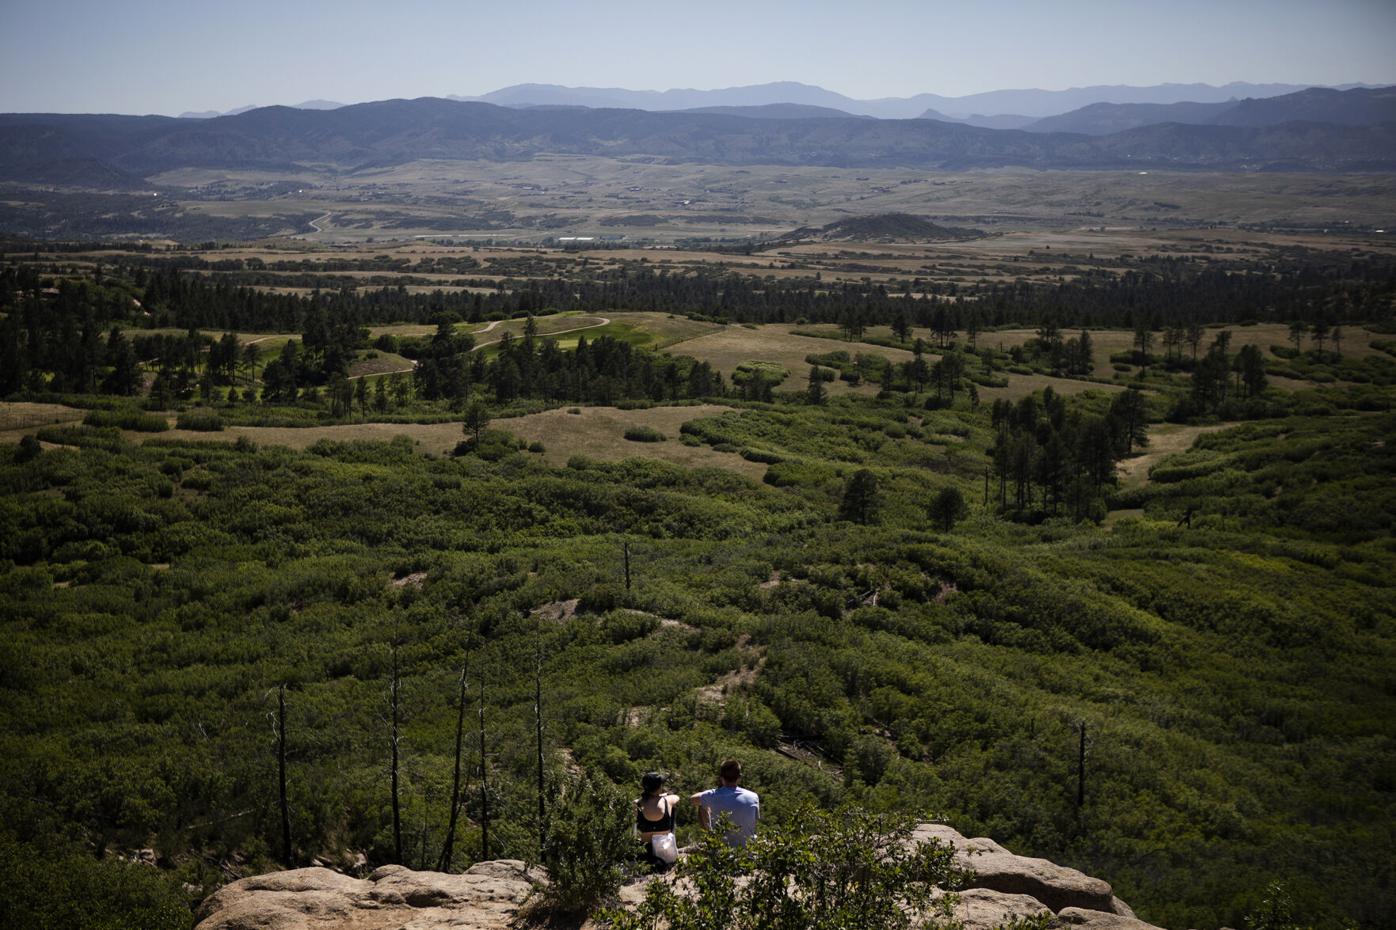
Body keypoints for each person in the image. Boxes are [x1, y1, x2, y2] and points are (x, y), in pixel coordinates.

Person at [688, 759, 759, 847]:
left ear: (721, 778)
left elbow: (692, 799)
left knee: (702, 805)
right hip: (747, 851)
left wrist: (711, 793)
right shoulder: (753, 796)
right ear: (739, 777)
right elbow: (754, 822)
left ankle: (710, 837)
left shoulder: (712, 795)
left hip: (722, 851)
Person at [635, 771, 680, 872]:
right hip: (664, 850)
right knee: (672, 809)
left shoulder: (637, 804)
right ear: (659, 787)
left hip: (645, 852)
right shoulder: (668, 800)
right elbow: (677, 797)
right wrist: (664, 795)